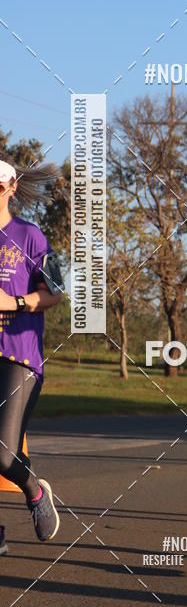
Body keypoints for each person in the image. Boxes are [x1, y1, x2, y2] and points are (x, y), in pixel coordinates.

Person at [0, 158, 63, 552]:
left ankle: (35, 490)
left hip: (17, 355)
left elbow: (55, 292)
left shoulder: (30, 236)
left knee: (4, 454)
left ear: (9, 187)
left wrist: (14, 301)